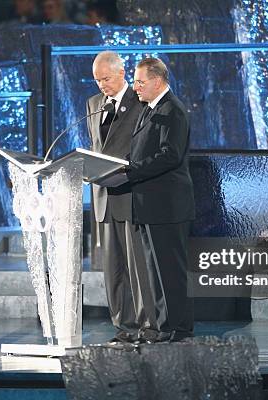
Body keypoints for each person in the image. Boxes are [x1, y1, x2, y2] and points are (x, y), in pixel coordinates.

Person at [126, 57, 195, 343]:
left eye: (140, 82)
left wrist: (131, 171)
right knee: (156, 270)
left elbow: (170, 155)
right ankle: (163, 325)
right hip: (150, 205)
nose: (135, 87)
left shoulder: (172, 110)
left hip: (167, 205)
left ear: (157, 80)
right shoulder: (150, 108)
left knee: (170, 270)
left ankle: (176, 328)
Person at [86, 51, 153, 343]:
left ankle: (146, 325)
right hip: (103, 196)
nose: (102, 85)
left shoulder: (140, 103)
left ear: (122, 73)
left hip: (131, 193)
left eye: (106, 78)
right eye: (98, 80)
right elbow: (96, 146)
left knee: (137, 267)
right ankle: (124, 326)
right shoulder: (93, 105)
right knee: (112, 269)